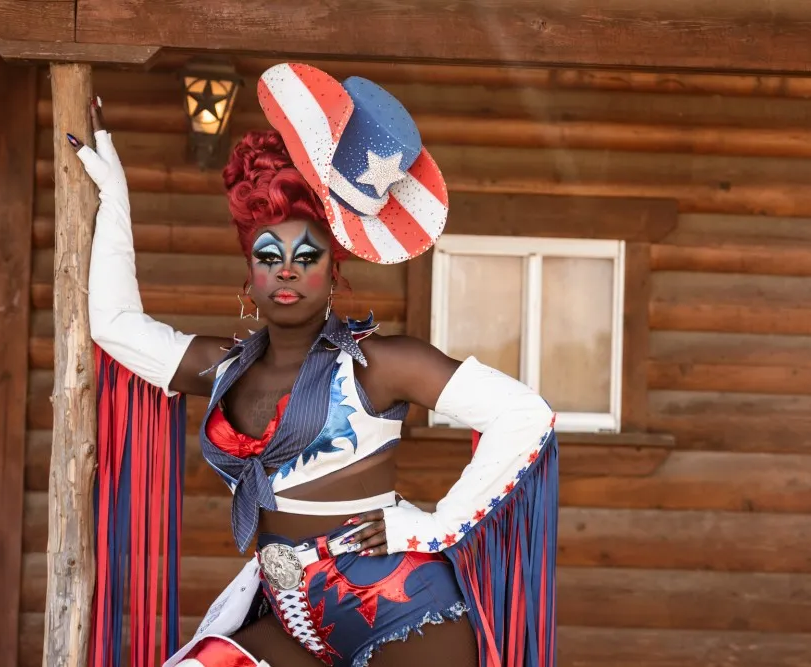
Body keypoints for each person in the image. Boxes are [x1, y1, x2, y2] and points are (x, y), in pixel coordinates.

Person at [72, 63, 559, 667]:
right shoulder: (223, 368)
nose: (287, 270)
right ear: (249, 271)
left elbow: (524, 415)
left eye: (308, 255)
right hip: (289, 616)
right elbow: (114, 325)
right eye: (268, 255)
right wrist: (114, 197)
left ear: (334, 269)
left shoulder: (379, 363)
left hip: (407, 616)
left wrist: (438, 527)